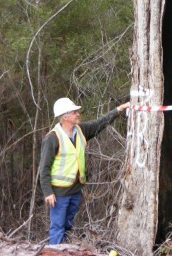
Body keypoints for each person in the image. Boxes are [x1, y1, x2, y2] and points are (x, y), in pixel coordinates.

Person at [39, 97, 130, 244]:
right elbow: (44, 168)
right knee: (57, 227)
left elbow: (100, 122)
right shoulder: (52, 138)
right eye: (74, 112)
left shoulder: (81, 130)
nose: (78, 114)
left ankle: (64, 253)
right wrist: (48, 192)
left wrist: (119, 110)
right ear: (65, 116)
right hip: (59, 193)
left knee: (67, 226)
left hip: (75, 190)